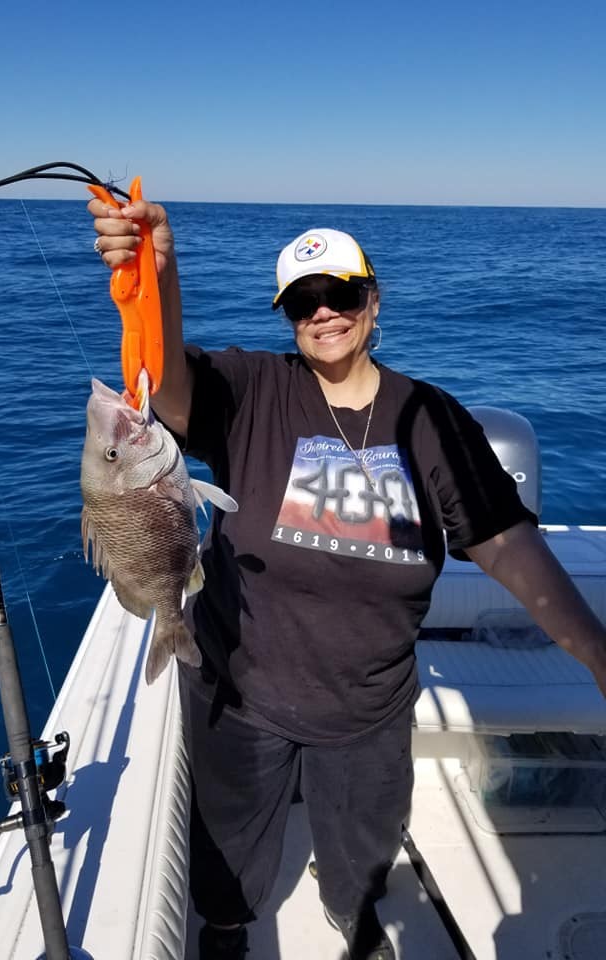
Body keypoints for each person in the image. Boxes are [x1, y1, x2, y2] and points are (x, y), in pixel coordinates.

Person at [88, 196, 606, 960]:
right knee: (229, 850)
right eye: (304, 301)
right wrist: (155, 274)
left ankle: (352, 916)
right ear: (287, 314)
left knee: (361, 859)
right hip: (242, 689)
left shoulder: (430, 418)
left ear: (373, 297)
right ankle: (227, 929)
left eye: (342, 293)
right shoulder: (253, 390)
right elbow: (159, 377)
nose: (324, 312)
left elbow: (505, 541)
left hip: (370, 706)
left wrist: (596, 652)